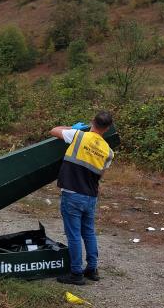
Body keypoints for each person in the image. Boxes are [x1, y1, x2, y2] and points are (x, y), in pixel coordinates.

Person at [49, 112, 115, 286]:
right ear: (107, 128)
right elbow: (100, 174)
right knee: (89, 233)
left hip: (72, 194)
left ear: (92, 122)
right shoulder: (109, 152)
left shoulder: (78, 136)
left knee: (74, 235)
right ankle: (92, 269)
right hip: (90, 196)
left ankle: (76, 273)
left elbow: (54, 130)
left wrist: (73, 127)